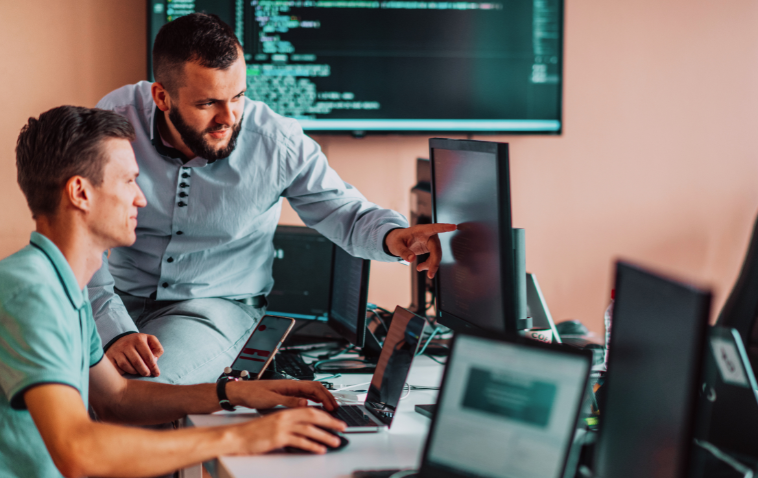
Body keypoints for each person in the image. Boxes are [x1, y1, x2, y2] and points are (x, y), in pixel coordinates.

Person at [90, 12, 455, 384]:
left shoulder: (277, 142)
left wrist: (395, 238)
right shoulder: (115, 124)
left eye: (238, 96)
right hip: (116, 298)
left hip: (216, 309)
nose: (228, 118)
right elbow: (79, 231)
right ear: (162, 97)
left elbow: (344, 211)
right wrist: (112, 326)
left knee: (140, 387)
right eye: (207, 104)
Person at [0, 105, 347, 478]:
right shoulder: (31, 293)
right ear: (80, 193)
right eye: (128, 181)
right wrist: (243, 436)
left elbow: (118, 399)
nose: (140, 199)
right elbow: (78, 451)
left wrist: (232, 394)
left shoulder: (65, 288)